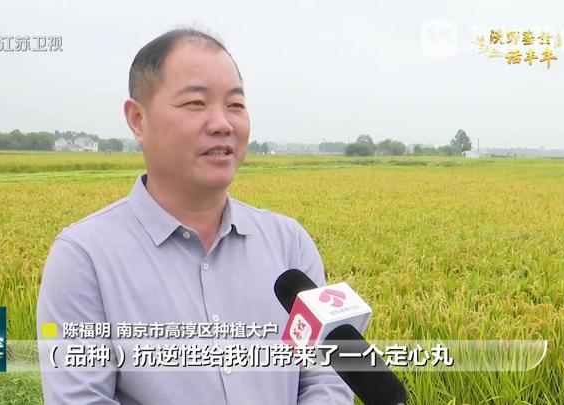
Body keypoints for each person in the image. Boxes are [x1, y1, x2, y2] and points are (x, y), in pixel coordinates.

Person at [37, 28, 353, 404]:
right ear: (138, 119)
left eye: (235, 105)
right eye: (195, 103)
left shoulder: (290, 244)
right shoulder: (85, 257)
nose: (222, 123)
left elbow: (325, 376)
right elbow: (81, 399)